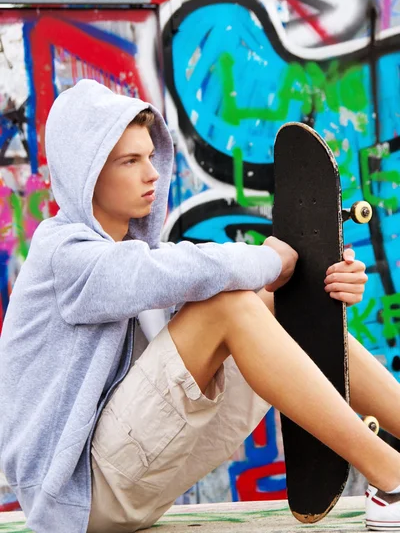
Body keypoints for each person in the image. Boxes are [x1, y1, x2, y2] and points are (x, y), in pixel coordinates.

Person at [0, 79, 399, 533]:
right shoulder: (65, 254)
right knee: (229, 306)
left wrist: (325, 284)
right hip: (78, 496)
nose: (152, 173)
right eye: (130, 161)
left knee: (275, 303)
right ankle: (392, 478)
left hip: (128, 479)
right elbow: (180, 272)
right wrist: (268, 259)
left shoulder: (128, 254)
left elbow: (193, 321)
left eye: (151, 156)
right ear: (85, 173)